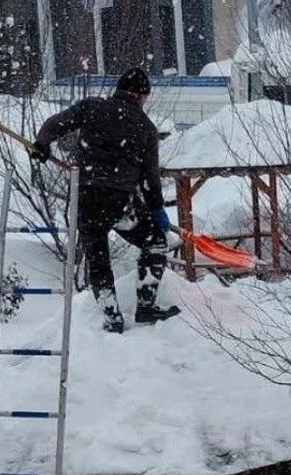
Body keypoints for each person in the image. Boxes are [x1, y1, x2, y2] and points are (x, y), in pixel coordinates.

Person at [30, 67, 179, 333]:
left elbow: (55, 124)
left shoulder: (91, 108)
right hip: (120, 204)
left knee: (99, 260)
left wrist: (42, 144)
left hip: (88, 199)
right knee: (155, 243)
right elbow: (150, 180)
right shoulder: (146, 128)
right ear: (142, 96)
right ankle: (146, 305)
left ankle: (112, 317)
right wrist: (157, 211)